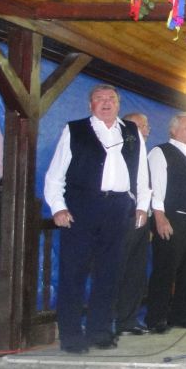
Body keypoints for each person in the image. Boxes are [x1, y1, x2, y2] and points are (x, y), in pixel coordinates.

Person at [44, 85, 149, 352]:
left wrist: (141, 205)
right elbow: (55, 175)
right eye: (99, 99)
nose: (106, 102)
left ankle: (99, 331)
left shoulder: (132, 131)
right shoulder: (75, 130)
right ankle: (71, 336)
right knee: (74, 273)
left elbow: (141, 173)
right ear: (90, 105)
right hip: (82, 208)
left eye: (111, 98)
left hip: (118, 209)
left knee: (109, 273)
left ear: (119, 104)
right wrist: (58, 207)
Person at [145, 111, 186, 333]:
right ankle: (156, 318)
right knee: (165, 269)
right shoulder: (160, 152)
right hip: (171, 217)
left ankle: (181, 314)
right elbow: (155, 186)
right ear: (173, 130)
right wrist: (159, 216)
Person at [114, 112, 152, 336]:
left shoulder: (143, 152)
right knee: (118, 268)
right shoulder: (120, 151)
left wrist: (145, 211)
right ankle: (112, 320)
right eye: (139, 126)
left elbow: (147, 186)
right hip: (122, 216)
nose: (145, 130)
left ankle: (129, 320)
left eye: (146, 126)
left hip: (141, 217)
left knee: (136, 271)